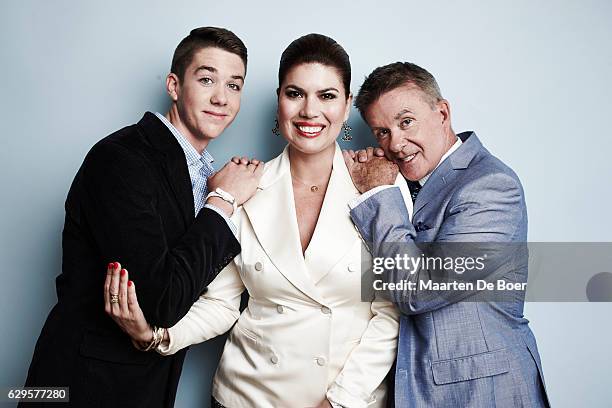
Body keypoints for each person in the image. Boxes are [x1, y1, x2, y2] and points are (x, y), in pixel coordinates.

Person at [105, 34, 399, 408]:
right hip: (245, 397)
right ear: (279, 102)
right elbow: (222, 304)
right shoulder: (245, 186)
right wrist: (157, 335)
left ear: (346, 106)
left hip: (346, 400)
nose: (310, 111)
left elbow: (390, 313)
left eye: (326, 96)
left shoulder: (378, 185)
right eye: (295, 94)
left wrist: (341, 401)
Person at [22, 27, 263, 408]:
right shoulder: (122, 159)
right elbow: (160, 301)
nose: (221, 97)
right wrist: (223, 201)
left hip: (145, 384)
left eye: (234, 85)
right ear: (173, 85)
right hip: (80, 386)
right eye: (206, 79)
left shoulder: (201, 173)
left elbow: (201, 291)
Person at [343, 62, 550, 407]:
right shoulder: (407, 182)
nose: (395, 143)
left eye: (406, 122)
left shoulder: (490, 186)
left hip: (485, 393)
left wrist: (378, 195)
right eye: (381, 131)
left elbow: (417, 290)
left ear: (442, 112)